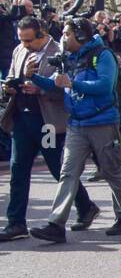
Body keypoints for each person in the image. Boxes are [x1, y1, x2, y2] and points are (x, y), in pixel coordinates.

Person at [28, 16, 121, 242]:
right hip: (76, 124)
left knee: (111, 171)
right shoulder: (68, 58)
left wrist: (72, 83)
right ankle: (56, 224)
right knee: (67, 172)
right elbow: (56, 84)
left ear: (80, 35)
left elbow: (105, 86)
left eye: (67, 34)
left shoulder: (102, 55)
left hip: (102, 122)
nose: (63, 38)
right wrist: (34, 78)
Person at [0, 17, 97, 240]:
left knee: (57, 167)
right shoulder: (19, 51)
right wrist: (10, 87)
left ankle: (85, 206)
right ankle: (16, 223)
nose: (24, 44)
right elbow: (13, 76)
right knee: (18, 170)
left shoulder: (60, 52)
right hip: (22, 120)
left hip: (46, 121)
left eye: (28, 40)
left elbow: (67, 88)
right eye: (21, 40)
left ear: (41, 34)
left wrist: (40, 89)